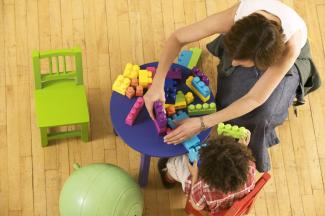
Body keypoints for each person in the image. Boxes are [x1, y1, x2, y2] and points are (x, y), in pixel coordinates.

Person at [144, 0, 320, 172]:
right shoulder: (239, 14)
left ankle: (252, 152)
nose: (232, 62)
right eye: (232, 55)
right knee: (230, 95)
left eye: (241, 62)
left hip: (291, 61)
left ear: (260, 63)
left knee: (263, 113)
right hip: (255, 44)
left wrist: (202, 122)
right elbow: (177, 37)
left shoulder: (290, 48)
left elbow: (255, 98)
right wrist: (157, 83)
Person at [158, 135, 256, 214]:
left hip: (208, 203)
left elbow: (196, 205)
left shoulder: (204, 187)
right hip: (229, 203)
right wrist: (241, 148)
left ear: (206, 174)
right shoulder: (250, 166)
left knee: (175, 164)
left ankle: (168, 178)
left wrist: (195, 175)